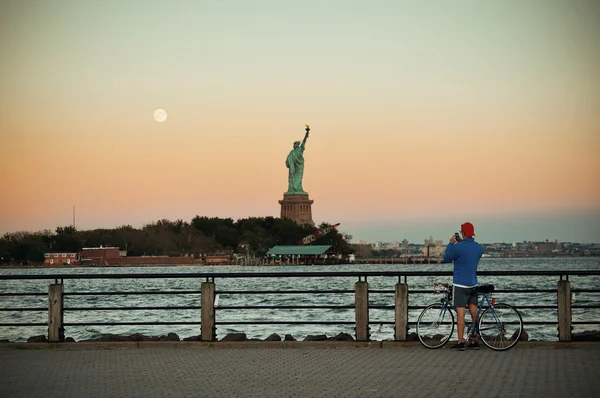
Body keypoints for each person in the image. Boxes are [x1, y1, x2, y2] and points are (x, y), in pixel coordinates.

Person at [443, 221, 484, 350]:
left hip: (460, 284)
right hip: (473, 283)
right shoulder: (479, 247)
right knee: (473, 312)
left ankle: (460, 342)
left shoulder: (457, 247)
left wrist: (451, 243)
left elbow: (446, 258)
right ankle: (474, 341)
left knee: (460, 314)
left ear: (464, 233)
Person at [285, 127, 309, 194]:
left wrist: (306, 135)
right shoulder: (292, 152)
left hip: (299, 168)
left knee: (299, 178)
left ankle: (298, 189)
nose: (294, 145)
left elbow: (304, 142)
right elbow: (287, 161)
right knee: (293, 179)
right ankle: (293, 190)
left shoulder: (299, 150)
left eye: (294, 144)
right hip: (294, 168)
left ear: (297, 145)